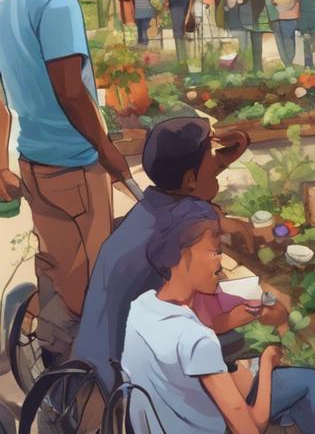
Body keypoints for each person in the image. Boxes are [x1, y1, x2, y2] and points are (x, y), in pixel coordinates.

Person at [0, 0, 133, 364]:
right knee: (90, 287)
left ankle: (49, 369)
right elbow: (71, 90)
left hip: (35, 158)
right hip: (74, 165)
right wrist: (106, 150)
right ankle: (80, 392)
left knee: (55, 267)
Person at [74, 118, 265, 391]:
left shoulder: (153, 205)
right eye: (213, 172)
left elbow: (194, 189)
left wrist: (226, 155)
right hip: (129, 366)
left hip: (95, 352)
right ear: (190, 180)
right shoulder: (192, 219)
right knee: (239, 340)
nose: (217, 177)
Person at [122, 207, 315, 434]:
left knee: (291, 394)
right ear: (183, 256)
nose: (219, 263)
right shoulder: (195, 338)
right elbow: (251, 429)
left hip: (162, 425)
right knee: (308, 381)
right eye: (214, 252)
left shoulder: (140, 308)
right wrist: (267, 363)